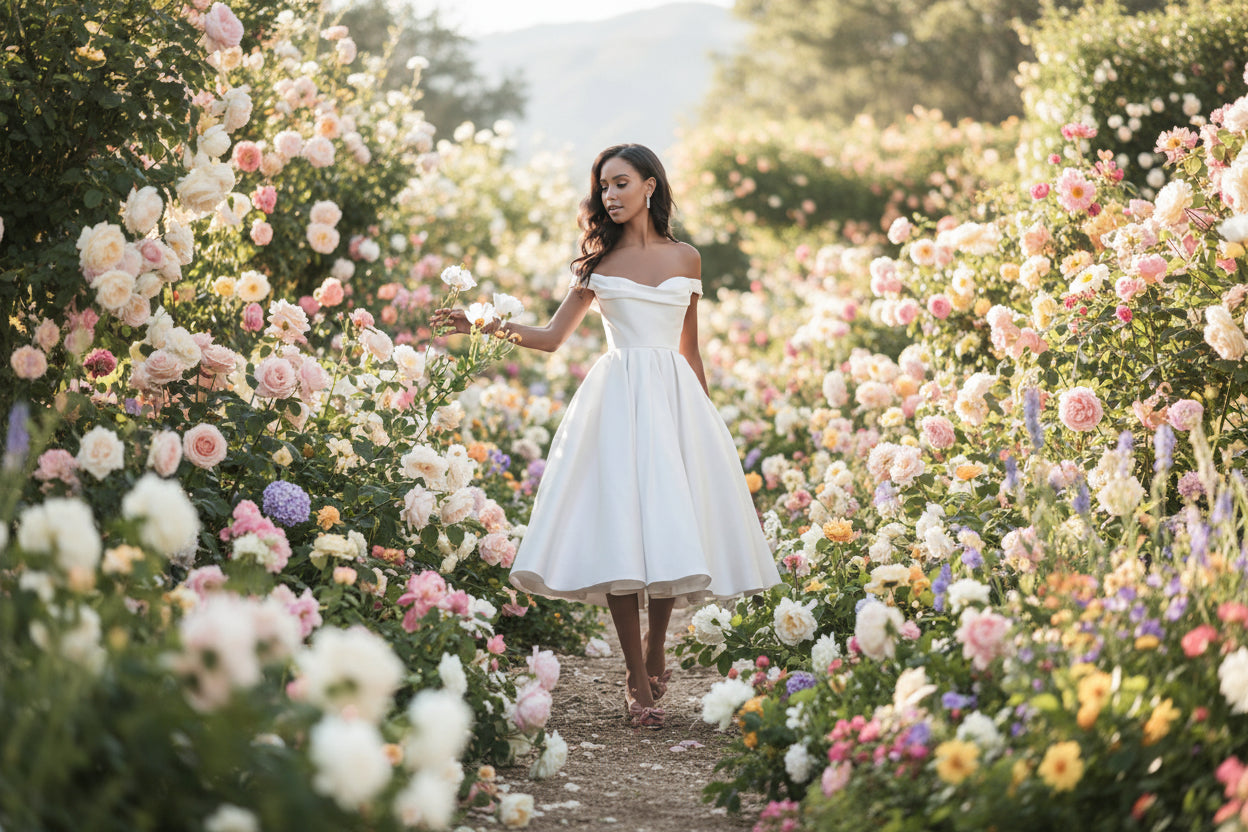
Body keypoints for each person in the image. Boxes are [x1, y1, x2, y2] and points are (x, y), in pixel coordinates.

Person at [432, 144, 780, 729]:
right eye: (603, 187)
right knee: (624, 525)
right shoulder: (596, 267)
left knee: (672, 521)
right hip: (617, 400)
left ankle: (657, 644)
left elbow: (691, 350)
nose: (610, 196)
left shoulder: (687, 258)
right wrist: (479, 322)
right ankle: (635, 675)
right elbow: (548, 337)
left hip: (675, 401)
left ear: (649, 186)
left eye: (621, 184)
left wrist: (703, 418)